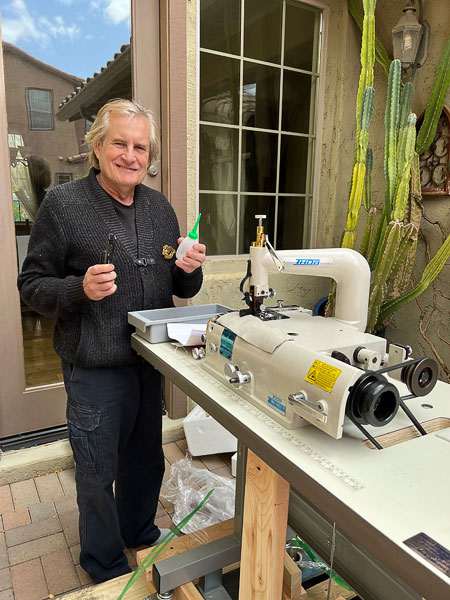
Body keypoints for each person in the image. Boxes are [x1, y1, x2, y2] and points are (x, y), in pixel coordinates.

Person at [17, 99, 206, 583]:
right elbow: (31, 286)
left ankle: (138, 532)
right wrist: (77, 289)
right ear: (97, 148)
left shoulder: (160, 209)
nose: (130, 155)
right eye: (119, 143)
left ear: (150, 156)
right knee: (97, 472)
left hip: (149, 361)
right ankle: (104, 565)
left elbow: (180, 286)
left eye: (140, 147)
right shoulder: (63, 206)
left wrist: (189, 270)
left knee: (145, 461)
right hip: (95, 367)